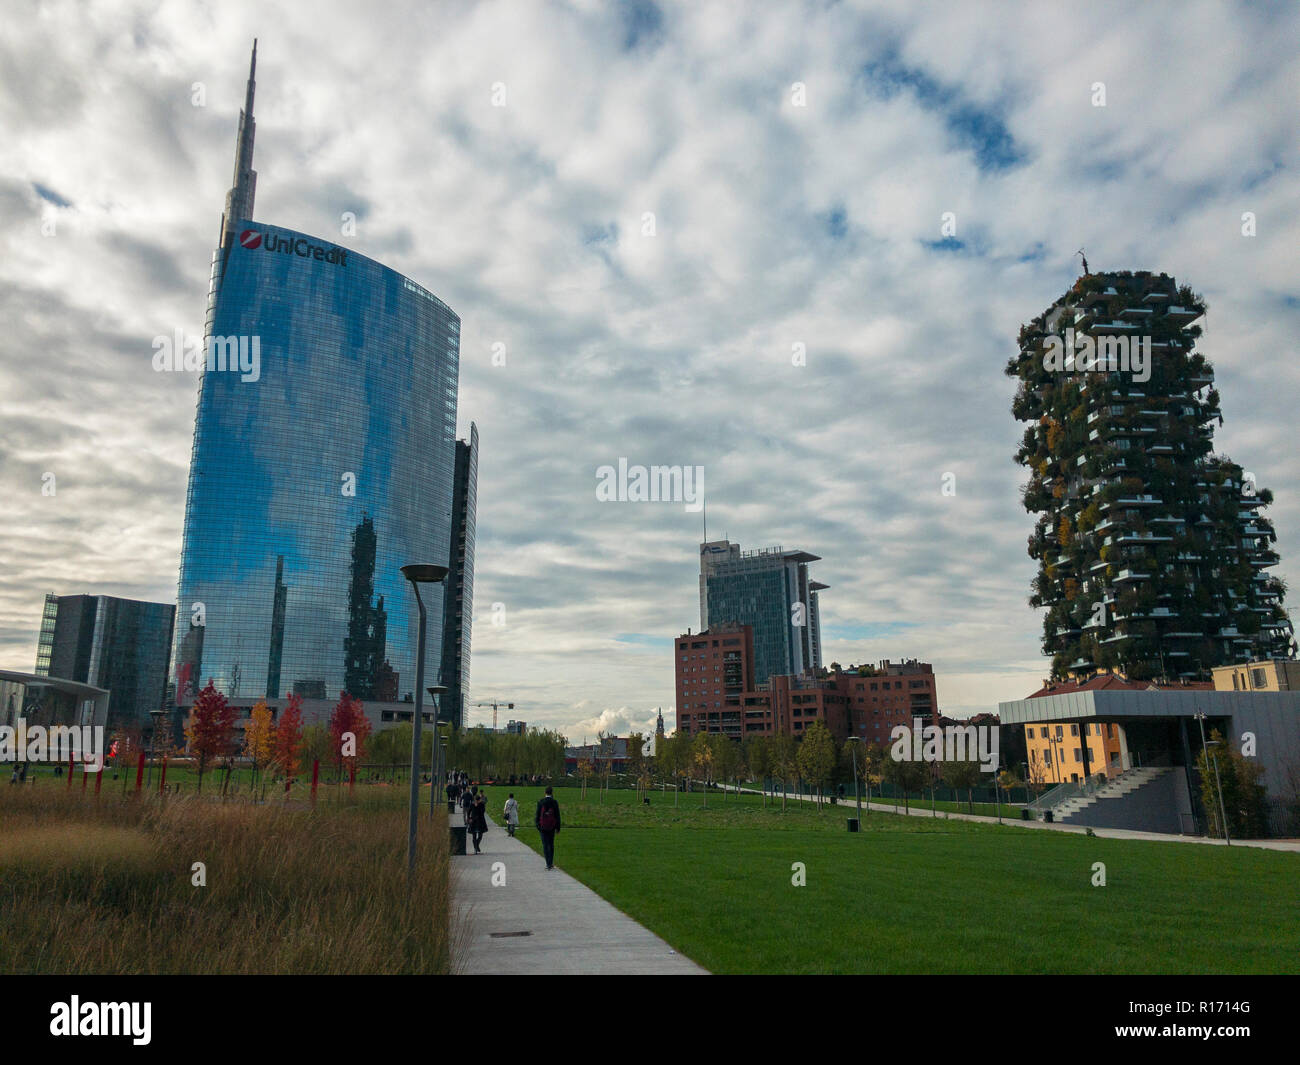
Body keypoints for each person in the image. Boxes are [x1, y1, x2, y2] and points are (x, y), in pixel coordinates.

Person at [534, 786, 561, 870]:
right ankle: (551, 862)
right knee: (551, 844)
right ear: (552, 792)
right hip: (552, 826)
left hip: (543, 827)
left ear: (545, 792)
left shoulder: (541, 802)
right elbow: (557, 815)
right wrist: (558, 827)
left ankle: (547, 863)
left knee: (545, 845)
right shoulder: (554, 802)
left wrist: (538, 825)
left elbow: (537, 815)